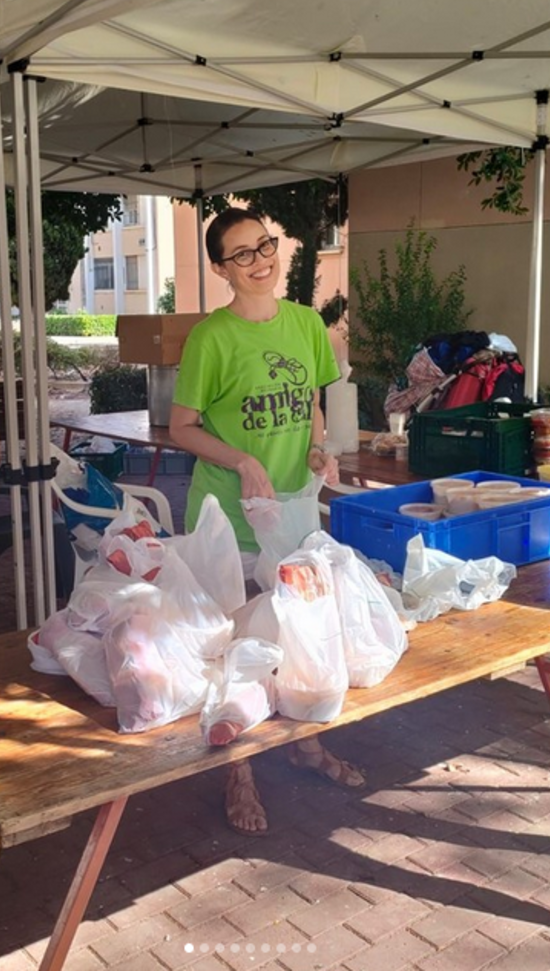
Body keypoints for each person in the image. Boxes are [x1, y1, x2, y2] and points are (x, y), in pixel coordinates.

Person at [169, 206, 365, 836]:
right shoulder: (212, 338)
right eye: (243, 254)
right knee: (238, 645)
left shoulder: (307, 324)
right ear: (222, 269)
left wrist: (318, 447)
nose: (261, 262)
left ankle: (307, 743)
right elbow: (183, 427)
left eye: (266, 246)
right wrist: (242, 459)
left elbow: (308, 400)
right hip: (230, 515)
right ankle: (240, 772)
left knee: (301, 631)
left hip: (294, 511)